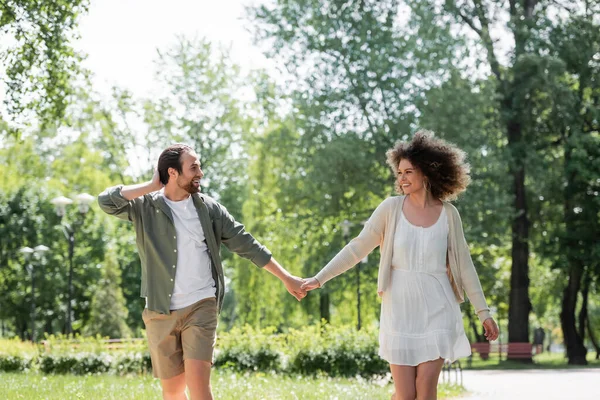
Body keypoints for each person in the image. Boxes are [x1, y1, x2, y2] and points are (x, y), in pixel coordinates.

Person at [98, 144, 306, 400]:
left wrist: (287, 278)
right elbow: (106, 201)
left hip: (201, 304)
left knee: (198, 388)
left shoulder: (210, 210)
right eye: (194, 167)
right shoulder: (145, 207)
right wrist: (153, 186)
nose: (201, 173)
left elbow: (247, 244)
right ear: (172, 173)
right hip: (161, 310)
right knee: (172, 392)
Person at [301, 131, 499, 400]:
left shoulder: (449, 215)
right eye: (399, 172)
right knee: (405, 395)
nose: (401, 178)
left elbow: (465, 266)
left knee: (426, 389)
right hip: (400, 309)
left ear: (427, 172)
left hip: (439, 307)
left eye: (408, 172)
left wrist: (483, 312)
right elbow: (357, 248)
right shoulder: (390, 209)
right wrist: (319, 278)